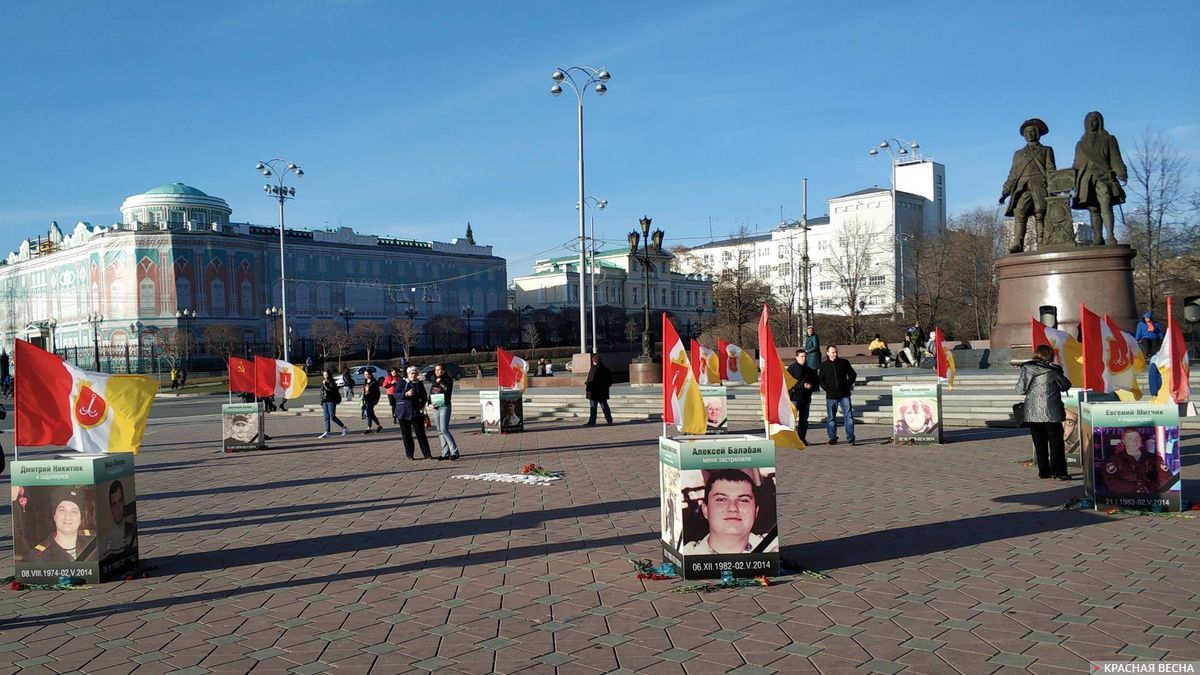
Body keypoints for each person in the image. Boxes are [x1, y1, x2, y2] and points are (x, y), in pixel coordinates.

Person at [679, 470, 777, 554]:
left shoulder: (776, 549)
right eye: (721, 499)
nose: (733, 508)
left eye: (743, 500)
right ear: (705, 510)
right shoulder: (686, 555)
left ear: (756, 511)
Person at [1016, 344, 1073, 479]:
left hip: (1032, 413)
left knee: (1039, 443)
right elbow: (1066, 385)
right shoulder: (1053, 371)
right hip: (1051, 413)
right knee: (1056, 443)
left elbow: (1019, 390)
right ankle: (1058, 472)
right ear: (1049, 356)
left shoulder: (1026, 368)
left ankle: (1044, 472)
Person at [1000, 118, 1056, 254]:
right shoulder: (1018, 154)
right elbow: (1013, 174)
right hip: (1022, 186)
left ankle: (1043, 241)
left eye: (1033, 131)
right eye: (1027, 132)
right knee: (1019, 212)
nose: (1030, 134)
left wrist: (1054, 187)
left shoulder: (1046, 150)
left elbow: (1051, 170)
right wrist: (1005, 192)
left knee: (1040, 212)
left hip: (1040, 184)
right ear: (1024, 135)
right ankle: (1018, 243)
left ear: (1038, 133)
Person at [1072, 111, 1127, 246]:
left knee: (1106, 205)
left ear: (1099, 122)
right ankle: (1098, 237)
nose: (1091, 124)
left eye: (1094, 120)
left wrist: (1121, 171)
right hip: (1086, 179)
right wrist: (1071, 178)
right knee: (1093, 208)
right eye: (1089, 121)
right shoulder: (1080, 144)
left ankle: (1110, 235)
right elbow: (1077, 164)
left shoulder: (1109, 139)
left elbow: (1115, 158)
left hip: (1103, 176)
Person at [30, 488, 97, 562]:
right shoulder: (37, 558)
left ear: (81, 518)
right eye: (62, 510)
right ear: (54, 516)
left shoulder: (95, 543)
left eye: (74, 512)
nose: (68, 517)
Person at [1102, 428, 1171, 494]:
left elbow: (1167, 478)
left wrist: (1149, 488)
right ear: (1123, 441)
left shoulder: (1154, 458)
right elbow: (1110, 481)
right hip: (1125, 501)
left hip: (1150, 499)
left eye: (1137, 438)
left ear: (1141, 439)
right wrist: (1134, 488)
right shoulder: (1115, 460)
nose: (1135, 441)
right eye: (1130, 439)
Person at [817, 345, 857, 445]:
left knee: (848, 416)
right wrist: (826, 388)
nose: (834, 354)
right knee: (831, 418)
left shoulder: (844, 362)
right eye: (832, 352)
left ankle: (850, 437)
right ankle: (832, 437)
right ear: (827, 353)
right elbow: (820, 379)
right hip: (831, 395)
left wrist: (847, 384)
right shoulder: (824, 365)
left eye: (836, 352)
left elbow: (853, 374)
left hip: (844, 394)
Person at [396, 366, 433, 459]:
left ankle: (427, 454)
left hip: (415, 412)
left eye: (415, 373)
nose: (413, 375)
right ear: (408, 374)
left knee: (420, 433)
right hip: (403, 412)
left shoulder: (419, 384)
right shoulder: (401, 382)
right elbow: (396, 395)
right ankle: (410, 454)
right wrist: (406, 394)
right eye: (411, 373)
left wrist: (421, 404)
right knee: (406, 435)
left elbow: (424, 396)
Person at [786, 349, 818, 445]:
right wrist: (801, 385)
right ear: (797, 357)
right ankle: (791, 439)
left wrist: (811, 385)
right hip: (795, 397)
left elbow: (815, 380)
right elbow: (788, 383)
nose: (804, 358)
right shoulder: (792, 368)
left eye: (805, 356)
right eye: (801, 356)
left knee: (804, 420)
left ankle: (801, 439)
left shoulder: (809, 369)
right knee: (791, 420)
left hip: (806, 398)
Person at [429, 363, 460, 460]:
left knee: (444, 430)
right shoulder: (434, 380)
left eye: (439, 370)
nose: (437, 372)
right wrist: (429, 403)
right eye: (436, 370)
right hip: (436, 407)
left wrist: (440, 381)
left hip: (444, 406)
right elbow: (431, 393)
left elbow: (447, 390)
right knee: (439, 431)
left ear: (444, 371)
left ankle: (455, 452)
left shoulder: (447, 380)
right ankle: (445, 453)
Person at [102, 480, 137, 560]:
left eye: (120, 501)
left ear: (124, 501)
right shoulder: (105, 535)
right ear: (110, 508)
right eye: (114, 504)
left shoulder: (131, 526)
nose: (118, 508)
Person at [318, 369, 349, 439]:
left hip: (331, 400)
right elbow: (322, 392)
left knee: (332, 416)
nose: (325, 376)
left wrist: (325, 385)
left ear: (329, 374)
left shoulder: (332, 381)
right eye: (324, 375)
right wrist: (321, 401)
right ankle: (327, 432)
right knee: (326, 417)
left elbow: (331, 391)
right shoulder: (323, 382)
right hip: (325, 401)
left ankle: (344, 427)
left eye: (326, 374)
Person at [584, 354, 613, 426]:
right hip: (602, 392)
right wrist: (606, 387)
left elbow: (590, 380)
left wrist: (587, 385)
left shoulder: (593, 369)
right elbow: (609, 381)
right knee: (605, 406)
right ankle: (609, 420)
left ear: (593, 361)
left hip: (594, 393)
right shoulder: (606, 369)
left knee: (593, 408)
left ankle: (592, 422)